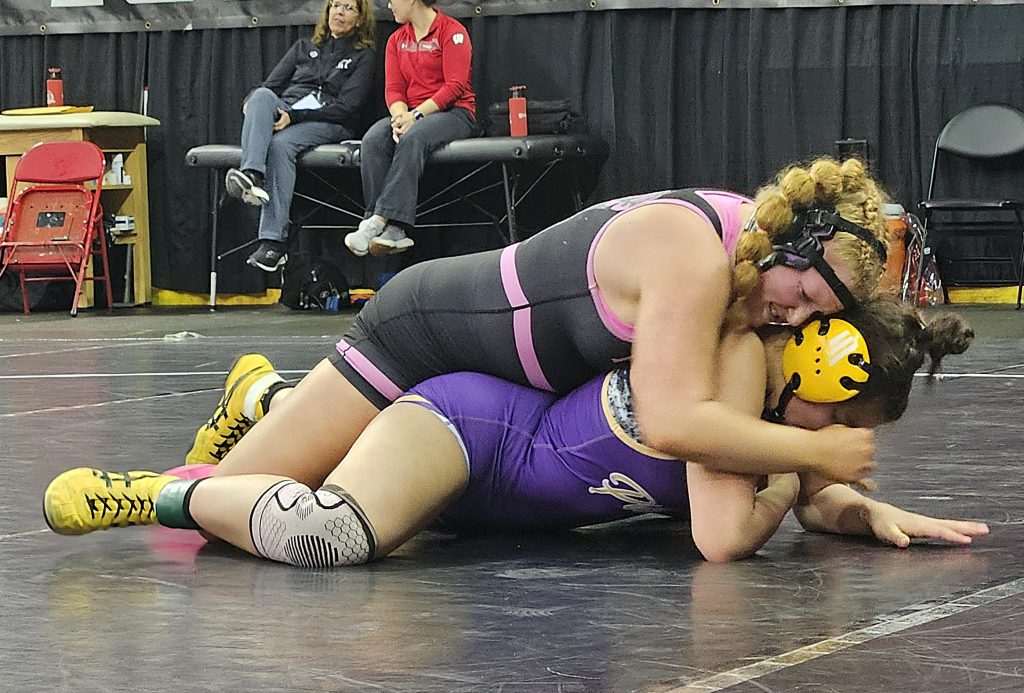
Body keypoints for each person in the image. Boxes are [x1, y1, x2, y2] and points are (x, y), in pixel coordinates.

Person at [43, 297, 988, 566]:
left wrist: (862, 508)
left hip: (483, 501)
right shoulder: (728, 382)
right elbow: (722, 533)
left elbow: (802, 492)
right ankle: (150, 494)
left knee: (342, 503)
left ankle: (263, 403)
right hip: (471, 430)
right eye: (845, 420)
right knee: (333, 534)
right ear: (826, 369)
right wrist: (806, 473)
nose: (831, 434)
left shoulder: (780, 413)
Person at [185, 157, 891, 492]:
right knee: (226, 495)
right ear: (793, 243)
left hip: (485, 371)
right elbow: (675, 424)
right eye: (803, 296)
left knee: (315, 475)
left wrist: (855, 507)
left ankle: (266, 396)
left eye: (816, 318)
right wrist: (818, 460)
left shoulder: (745, 249)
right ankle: (168, 472)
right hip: (419, 333)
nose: (794, 319)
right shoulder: (696, 260)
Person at [223, 0, 377, 272]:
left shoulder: (363, 56)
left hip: (329, 122)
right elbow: (269, 86)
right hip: (287, 111)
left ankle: (273, 242)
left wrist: (294, 118)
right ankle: (252, 174)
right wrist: (253, 103)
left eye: (348, 8)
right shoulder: (305, 47)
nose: (339, 12)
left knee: (281, 146)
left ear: (360, 19)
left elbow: (348, 108)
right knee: (260, 96)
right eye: (336, 5)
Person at [344, 0, 477, 257]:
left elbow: (455, 86)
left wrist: (415, 117)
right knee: (373, 139)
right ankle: (393, 230)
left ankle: (377, 220)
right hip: (411, 114)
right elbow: (394, 88)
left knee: (413, 137)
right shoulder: (395, 40)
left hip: (454, 114)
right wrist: (399, 115)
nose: (389, 5)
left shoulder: (452, 32)